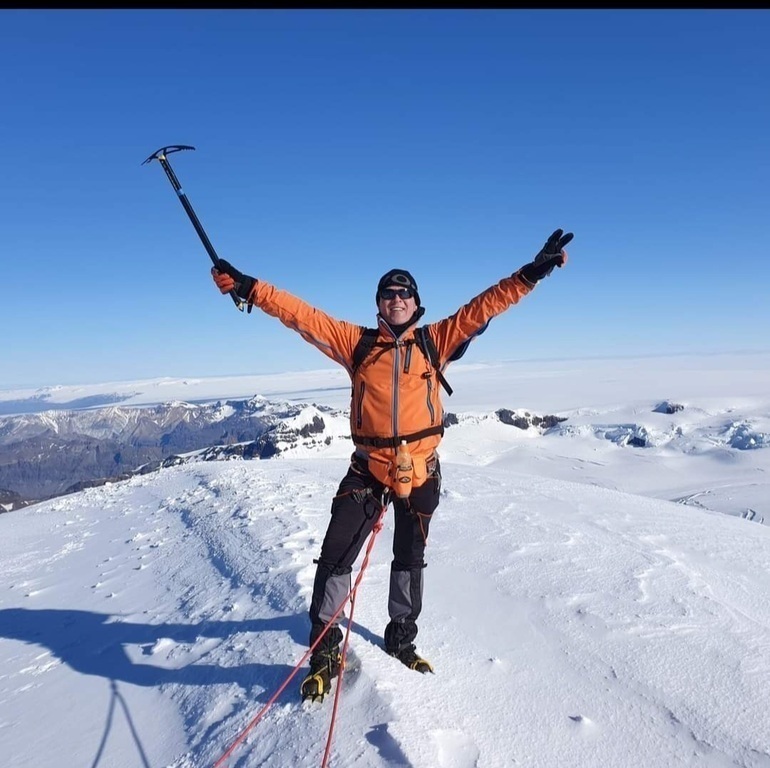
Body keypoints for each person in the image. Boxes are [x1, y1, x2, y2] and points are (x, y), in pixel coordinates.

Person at [211, 228, 573, 702]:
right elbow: (301, 315)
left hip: (421, 469)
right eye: (388, 293)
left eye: (404, 292)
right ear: (378, 304)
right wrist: (249, 287)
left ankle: (401, 637)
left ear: (416, 302)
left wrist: (533, 272)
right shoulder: (356, 344)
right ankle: (324, 648)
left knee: (409, 559)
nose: (396, 298)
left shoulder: (436, 340)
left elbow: (486, 306)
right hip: (368, 469)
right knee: (337, 556)